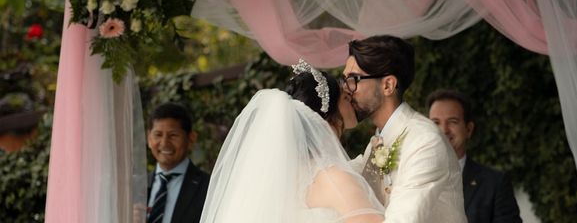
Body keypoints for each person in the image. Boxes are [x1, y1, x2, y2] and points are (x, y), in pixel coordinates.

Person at [198, 59, 385, 223]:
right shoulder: (334, 179)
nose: (351, 97)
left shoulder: (278, 178)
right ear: (327, 112)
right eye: (345, 97)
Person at [344, 36, 467, 223]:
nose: (346, 89)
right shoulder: (378, 141)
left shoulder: (424, 141)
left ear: (388, 85)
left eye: (353, 79)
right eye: (344, 80)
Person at [427, 89, 521, 223]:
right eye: (435, 122)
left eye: (453, 121)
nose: (443, 130)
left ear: (468, 129)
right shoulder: (405, 178)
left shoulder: (495, 184)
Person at [147, 102, 209, 223]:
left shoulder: (208, 187)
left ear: (191, 139)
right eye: (158, 135)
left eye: (173, 135)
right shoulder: (134, 187)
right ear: (149, 139)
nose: (164, 143)